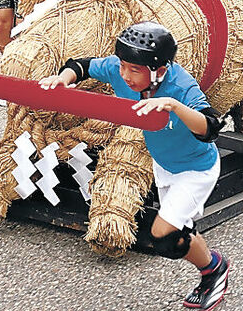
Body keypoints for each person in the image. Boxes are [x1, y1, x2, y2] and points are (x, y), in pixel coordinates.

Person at [39, 22, 230, 311]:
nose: (125, 75)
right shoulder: (120, 70)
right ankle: (214, 267)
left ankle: (214, 270)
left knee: (164, 238)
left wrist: (174, 106)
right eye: (123, 66)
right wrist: (63, 79)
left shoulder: (180, 85)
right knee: (181, 232)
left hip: (195, 169)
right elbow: (82, 64)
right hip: (164, 164)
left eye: (134, 70)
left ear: (159, 70)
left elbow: (211, 127)